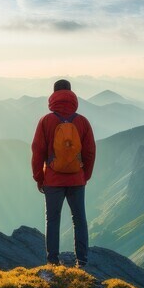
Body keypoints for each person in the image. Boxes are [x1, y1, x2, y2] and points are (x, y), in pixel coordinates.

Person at [31, 79, 96, 267]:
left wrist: (39, 177)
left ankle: (53, 261)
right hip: (77, 179)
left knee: (53, 220)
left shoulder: (46, 121)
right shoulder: (82, 122)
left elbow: (38, 151)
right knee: (79, 220)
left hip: (52, 180)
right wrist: (85, 176)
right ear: (72, 95)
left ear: (53, 96)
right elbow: (90, 152)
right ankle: (82, 261)